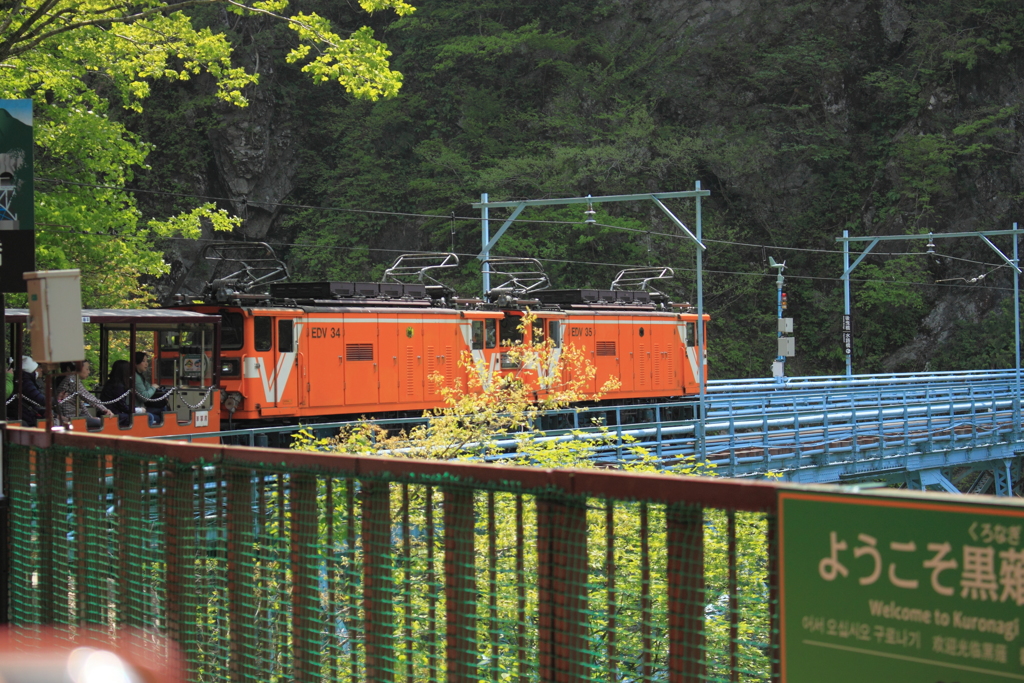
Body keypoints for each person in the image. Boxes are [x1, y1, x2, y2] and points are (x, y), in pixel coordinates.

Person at [57, 360, 115, 430]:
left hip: (74, 415)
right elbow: (88, 397)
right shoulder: (72, 380)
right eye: (87, 369)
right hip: (70, 416)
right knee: (105, 423)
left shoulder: (72, 379)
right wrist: (104, 409)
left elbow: (81, 404)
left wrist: (90, 417)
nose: (89, 372)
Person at [101, 360, 146, 428]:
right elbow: (122, 406)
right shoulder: (118, 386)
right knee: (148, 417)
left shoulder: (111, 383)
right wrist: (138, 410)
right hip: (113, 414)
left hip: (112, 412)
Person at [13, 356, 47, 426]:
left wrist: (41, 411)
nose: (40, 370)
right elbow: (39, 399)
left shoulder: (25, 380)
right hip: (23, 415)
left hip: (25, 412)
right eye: (37, 368)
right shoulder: (26, 381)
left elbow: (30, 402)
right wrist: (56, 400)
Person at [134, 351, 167, 422]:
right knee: (161, 416)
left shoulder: (140, 375)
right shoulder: (136, 377)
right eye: (143, 361)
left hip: (142, 407)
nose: (146, 364)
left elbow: (147, 387)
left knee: (163, 410)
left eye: (147, 361)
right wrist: (153, 388)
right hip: (136, 408)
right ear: (136, 363)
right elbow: (144, 397)